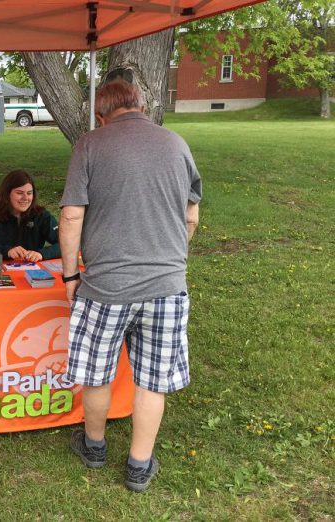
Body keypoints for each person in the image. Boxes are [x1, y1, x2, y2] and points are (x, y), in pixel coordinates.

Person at [59, 79, 202, 492]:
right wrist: (171, 258)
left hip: (105, 287)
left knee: (98, 375)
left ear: (101, 114)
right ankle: (139, 465)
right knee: (152, 380)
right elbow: (191, 215)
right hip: (167, 286)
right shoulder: (177, 144)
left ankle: (95, 446)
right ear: (141, 104)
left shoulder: (90, 144)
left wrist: (71, 275)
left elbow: (70, 218)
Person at [0, 169, 61, 262]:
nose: (25, 198)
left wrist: (41, 254)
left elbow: (67, 244)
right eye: (19, 193)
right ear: (7, 194)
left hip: (32, 271)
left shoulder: (41, 215)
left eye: (29, 193)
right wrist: (7, 251)